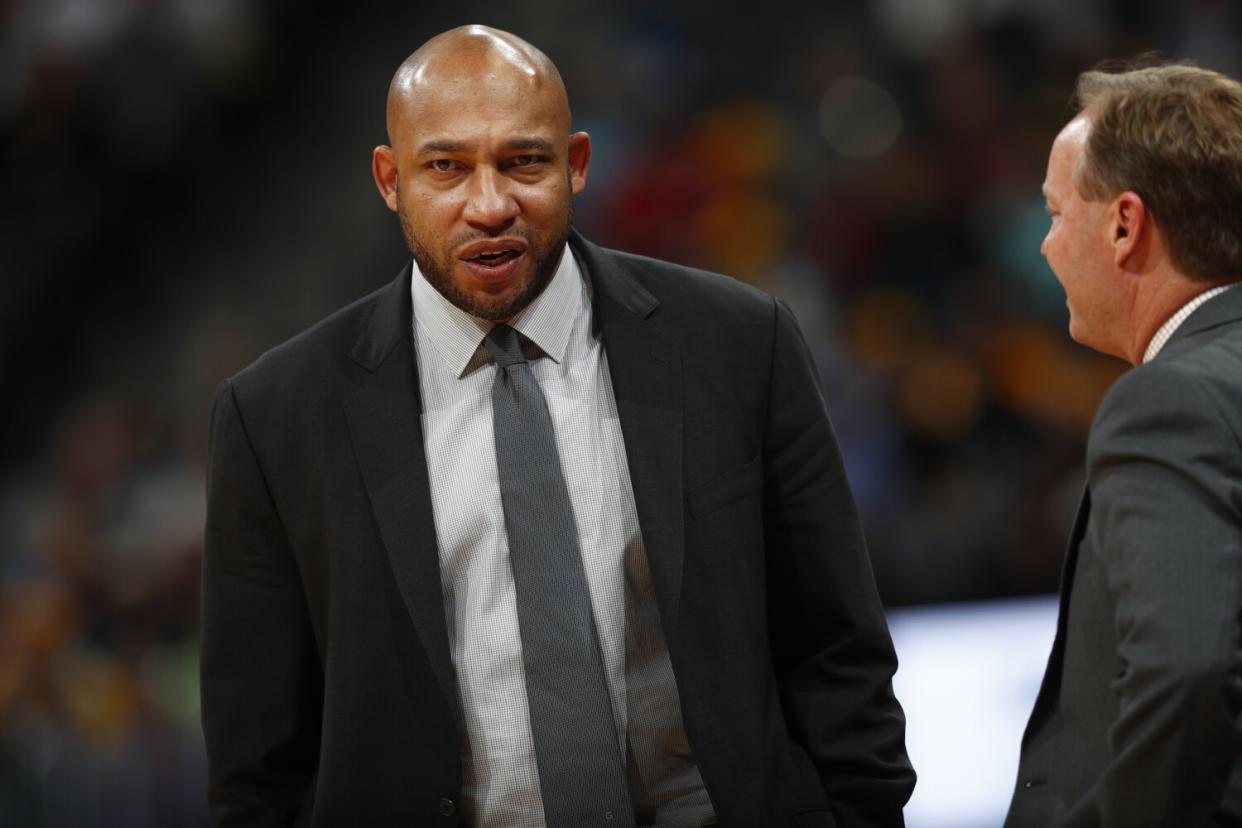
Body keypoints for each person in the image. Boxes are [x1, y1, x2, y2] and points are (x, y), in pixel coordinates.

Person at [200, 24, 914, 827]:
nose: (490, 204)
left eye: (523, 162)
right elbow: (257, 763)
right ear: (389, 179)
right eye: (446, 167)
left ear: (576, 164)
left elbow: (837, 649)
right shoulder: (276, 418)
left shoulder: (739, 345)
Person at [1006, 62, 1242, 827]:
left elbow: (1187, 673)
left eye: (1054, 212)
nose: (1045, 247)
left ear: (1124, 224)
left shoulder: (1168, 402)